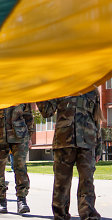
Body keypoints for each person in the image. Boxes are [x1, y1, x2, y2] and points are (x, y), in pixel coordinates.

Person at [37, 90, 102, 220]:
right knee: (61, 182)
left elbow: (96, 119)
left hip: (87, 142)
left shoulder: (92, 90)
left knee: (87, 181)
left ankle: (88, 214)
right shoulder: (63, 86)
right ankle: (60, 215)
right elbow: (47, 112)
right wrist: (39, 92)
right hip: (63, 142)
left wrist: (99, 147)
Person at [0, 104, 33, 214]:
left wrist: (29, 135)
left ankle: (22, 200)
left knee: (20, 167)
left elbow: (28, 115)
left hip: (19, 135)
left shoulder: (22, 91)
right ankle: (1, 200)